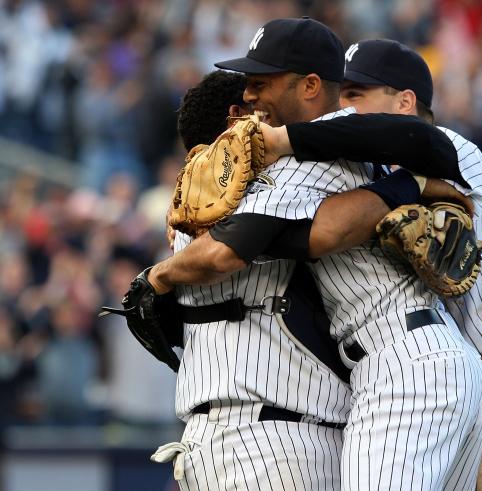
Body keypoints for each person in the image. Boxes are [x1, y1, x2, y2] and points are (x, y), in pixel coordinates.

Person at [150, 18, 482, 490]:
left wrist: (159, 277)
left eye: (260, 82)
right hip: (435, 358)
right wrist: (408, 184)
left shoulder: (313, 150)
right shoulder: (347, 140)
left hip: (400, 366)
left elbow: (256, 244)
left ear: (310, 85)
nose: (251, 97)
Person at [268, 39, 482, 490]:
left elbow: (390, 138)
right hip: (462, 390)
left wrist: (282, 140)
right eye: (341, 96)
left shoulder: (450, 149)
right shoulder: (383, 177)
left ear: (405, 101)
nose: (342, 107)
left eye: (356, 94)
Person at [151, 68, 352, 490]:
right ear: (235, 117)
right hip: (281, 442)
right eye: (256, 102)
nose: (266, 114)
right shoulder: (278, 185)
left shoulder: (183, 217)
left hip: (202, 444)